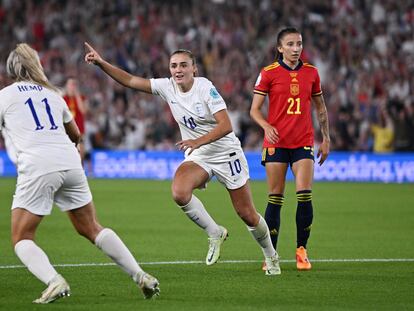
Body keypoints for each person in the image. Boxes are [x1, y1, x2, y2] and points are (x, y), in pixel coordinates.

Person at [84, 43, 281, 276]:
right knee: (179, 192)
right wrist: (101, 63)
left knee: (246, 213)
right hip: (200, 154)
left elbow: (226, 125)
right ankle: (214, 232)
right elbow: (130, 80)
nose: (178, 70)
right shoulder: (167, 87)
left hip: (225, 152)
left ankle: (271, 256)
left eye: (183, 65)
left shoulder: (205, 88)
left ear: (194, 69)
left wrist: (198, 141)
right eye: (174, 66)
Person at [0, 43, 160, 304]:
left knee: (21, 237)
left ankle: (54, 281)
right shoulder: (54, 94)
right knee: (92, 228)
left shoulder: (5, 96)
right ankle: (140, 275)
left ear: (10, 70)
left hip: (38, 164)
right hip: (71, 162)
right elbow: (76, 134)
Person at [250, 27, 330, 271]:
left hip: (303, 141)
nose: (296, 49)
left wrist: (326, 138)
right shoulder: (268, 73)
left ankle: (301, 251)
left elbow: (321, 108)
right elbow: (254, 110)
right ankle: (270, 254)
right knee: (276, 198)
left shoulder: (312, 73)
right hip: (276, 143)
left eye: (299, 44)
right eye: (291, 44)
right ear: (280, 48)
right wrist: (266, 126)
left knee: (304, 194)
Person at [63, 77, 88, 161]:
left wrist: (77, 95)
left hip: (79, 130)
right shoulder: (63, 98)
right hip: (66, 130)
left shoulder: (82, 98)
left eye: (74, 84)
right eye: (70, 84)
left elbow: (83, 110)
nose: (72, 86)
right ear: (66, 86)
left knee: (81, 153)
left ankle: (81, 170)